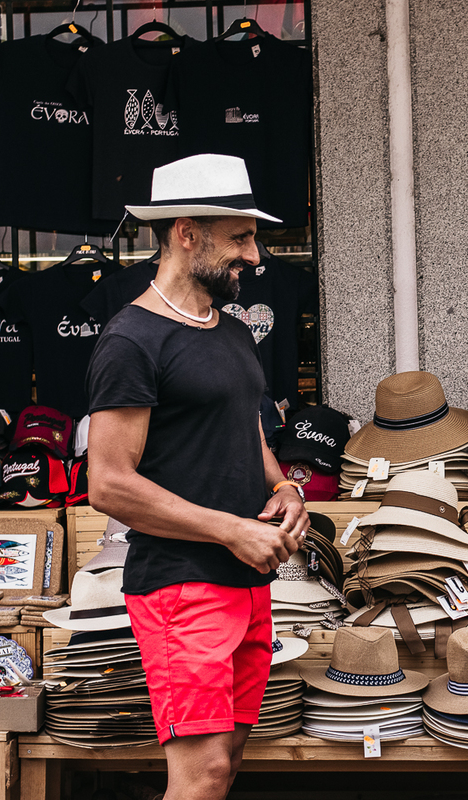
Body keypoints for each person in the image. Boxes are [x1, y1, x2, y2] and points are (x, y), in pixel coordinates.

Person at [86, 153, 309, 800]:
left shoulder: (231, 331)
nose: (255, 256)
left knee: (227, 763)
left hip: (248, 580)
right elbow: (108, 483)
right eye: (240, 237)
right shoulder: (131, 340)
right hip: (181, 585)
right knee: (202, 774)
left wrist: (282, 488)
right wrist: (232, 531)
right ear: (187, 233)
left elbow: (246, 430)